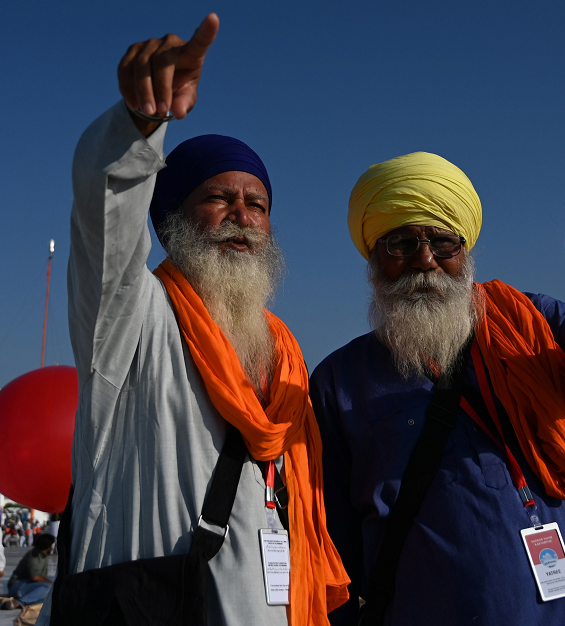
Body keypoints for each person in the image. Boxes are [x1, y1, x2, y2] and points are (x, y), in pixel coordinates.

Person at [40, 14, 347, 626]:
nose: (241, 214)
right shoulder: (135, 320)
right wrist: (138, 125)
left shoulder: (281, 355)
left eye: (256, 204)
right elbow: (105, 222)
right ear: (172, 220)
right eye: (218, 198)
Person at [311, 152, 565, 625]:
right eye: (401, 244)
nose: (425, 260)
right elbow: (330, 560)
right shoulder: (340, 383)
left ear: (464, 253)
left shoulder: (534, 324)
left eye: (443, 243)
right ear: (373, 260)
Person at [1, 533, 56, 610]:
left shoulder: (44, 555)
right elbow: (35, 577)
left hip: (29, 585)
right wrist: (52, 584)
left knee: (49, 596)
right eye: (51, 545)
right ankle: (19, 602)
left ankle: (27, 602)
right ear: (48, 546)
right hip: (18, 585)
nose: (52, 547)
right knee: (49, 588)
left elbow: (44, 577)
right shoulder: (34, 555)